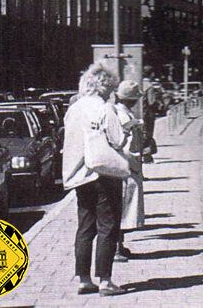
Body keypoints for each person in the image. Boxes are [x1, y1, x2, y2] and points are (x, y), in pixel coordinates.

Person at [62, 62, 127, 296]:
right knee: (107, 226)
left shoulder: (75, 108)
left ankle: (83, 279)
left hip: (81, 174)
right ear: (105, 87)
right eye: (111, 87)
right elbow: (117, 139)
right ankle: (106, 281)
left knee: (85, 226)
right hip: (104, 173)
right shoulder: (105, 108)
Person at [113, 80, 145, 262]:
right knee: (122, 209)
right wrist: (135, 163)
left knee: (123, 208)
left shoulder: (122, 112)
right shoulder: (124, 117)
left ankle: (120, 245)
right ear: (132, 100)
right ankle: (116, 248)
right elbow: (127, 146)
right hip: (126, 168)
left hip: (126, 167)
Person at [141, 78, 160, 162]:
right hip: (147, 114)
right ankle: (147, 157)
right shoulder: (149, 86)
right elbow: (151, 102)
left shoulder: (135, 82)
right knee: (148, 135)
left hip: (137, 113)